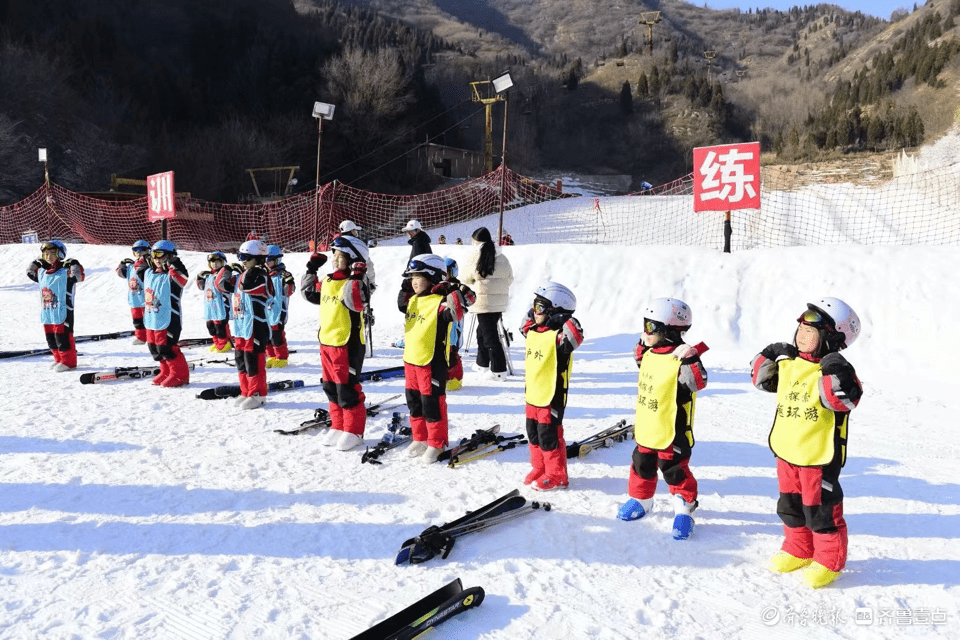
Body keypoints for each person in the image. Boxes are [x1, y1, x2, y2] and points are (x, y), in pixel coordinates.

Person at [751, 297, 863, 589]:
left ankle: (829, 560)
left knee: (821, 512)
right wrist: (769, 354)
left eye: (811, 330)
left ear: (831, 337)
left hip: (817, 458)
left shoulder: (837, 370)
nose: (802, 334)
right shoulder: (792, 366)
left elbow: (842, 399)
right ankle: (798, 549)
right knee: (789, 506)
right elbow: (761, 381)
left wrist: (833, 366)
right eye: (800, 327)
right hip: (788, 453)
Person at [617, 298, 708, 542]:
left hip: (673, 431)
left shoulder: (681, 359)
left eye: (650, 327)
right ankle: (641, 499)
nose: (645, 333)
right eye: (644, 325)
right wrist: (642, 341)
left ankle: (684, 507)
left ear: (668, 332)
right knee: (641, 464)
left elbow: (697, 382)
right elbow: (639, 358)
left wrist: (690, 358)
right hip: (648, 427)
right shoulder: (649, 353)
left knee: (674, 470)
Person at [398, 253, 474, 463]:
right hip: (412, 361)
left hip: (431, 363)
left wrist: (451, 289)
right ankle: (421, 437)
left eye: (418, 277)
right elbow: (400, 301)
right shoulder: (412, 300)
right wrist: (407, 284)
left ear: (431, 277)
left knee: (432, 404)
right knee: (414, 403)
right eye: (411, 277)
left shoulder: (440, 303)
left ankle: (436, 442)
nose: (413, 282)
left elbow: (462, 305)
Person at [301, 236, 370, 450]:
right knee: (330, 387)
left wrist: (357, 273)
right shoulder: (329, 281)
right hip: (327, 341)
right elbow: (308, 294)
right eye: (335, 255)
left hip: (347, 343)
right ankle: (339, 424)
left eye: (341, 256)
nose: (335, 260)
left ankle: (354, 430)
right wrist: (311, 269)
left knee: (347, 389)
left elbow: (355, 301)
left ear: (353, 260)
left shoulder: (356, 282)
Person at [519, 282, 584, 491]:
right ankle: (540, 467)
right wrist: (535, 311)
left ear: (554, 311)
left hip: (551, 395)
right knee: (533, 433)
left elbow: (575, 336)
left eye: (539, 307)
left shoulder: (558, 338)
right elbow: (524, 326)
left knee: (549, 435)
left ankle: (557, 475)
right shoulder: (535, 331)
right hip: (533, 394)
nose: (534, 312)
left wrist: (563, 318)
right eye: (534, 305)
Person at [216, 240, 273, 409]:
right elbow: (220, 286)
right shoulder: (243, 275)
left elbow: (246, 286)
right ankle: (246, 390)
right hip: (241, 326)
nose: (244, 261)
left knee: (253, 360)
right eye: (241, 257)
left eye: (247, 257)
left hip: (256, 326)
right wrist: (226, 269)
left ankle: (258, 394)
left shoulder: (261, 276)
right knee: (241, 359)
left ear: (259, 258)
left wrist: (247, 271)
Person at [461, 226, 514, 380]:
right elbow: (510, 278)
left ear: (476, 241)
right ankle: (482, 363)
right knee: (482, 332)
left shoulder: (476, 255)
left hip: (483, 301)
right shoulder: (502, 257)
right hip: (499, 302)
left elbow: (465, 277)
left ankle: (498, 370)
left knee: (490, 336)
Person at [137, 240, 191, 387]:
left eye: (160, 255)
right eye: (154, 255)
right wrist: (145, 258)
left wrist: (174, 262)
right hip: (152, 318)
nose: (157, 259)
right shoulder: (149, 273)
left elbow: (183, 277)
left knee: (167, 347)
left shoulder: (172, 276)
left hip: (169, 318)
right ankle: (165, 371)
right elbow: (138, 269)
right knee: (154, 347)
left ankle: (179, 375)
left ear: (170, 256)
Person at [26, 240, 85, 371]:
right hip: (48, 312)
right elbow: (30, 273)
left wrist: (74, 264)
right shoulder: (42, 273)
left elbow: (79, 276)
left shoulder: (65, 271)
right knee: (51, 338)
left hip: (63, 312)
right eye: (46, 254)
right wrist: (35, 263)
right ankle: (58, 358)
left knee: (63, 338)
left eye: (52, 253)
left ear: (60, 254)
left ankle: (68, 362)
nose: (49, 257)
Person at [195, 251, 233, 353]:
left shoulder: (225, 273)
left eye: (217, 261)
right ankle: (217, 342)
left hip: (221, 304)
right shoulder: (209, 275)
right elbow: (202, 287)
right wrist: (199, 278)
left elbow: (223, 285)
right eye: (212, 262)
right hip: (210, 305)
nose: (214, 264)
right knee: (210, 326)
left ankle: (224, 343)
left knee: (220, 325)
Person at [264, 245, 296, 368]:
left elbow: (289, 291)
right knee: (267, 335)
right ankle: (271, 355)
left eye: (269, 260)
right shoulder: (265, 275)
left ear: (277, 260)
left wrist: (289, 282)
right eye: (265, 260)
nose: (267, 263)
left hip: (278, 309)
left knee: (277, 335)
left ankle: (281, 357)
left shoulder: (282, 275)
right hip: (266, 310)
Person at [115, 239, 151, 345]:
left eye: (141, 250)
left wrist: (146, 262)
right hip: (134, 299)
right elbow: (121, 273)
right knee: (137, 320)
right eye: (136, 250)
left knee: (148, 320)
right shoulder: (131, 266)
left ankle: (150, 338)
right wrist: (122, 264)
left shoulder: (148, 265)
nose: (138, 252)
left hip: (146, 299)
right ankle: (140, 337)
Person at [443, 257, 465, 392]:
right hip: (441, 326)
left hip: (453, 327)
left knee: (452, 354)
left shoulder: (456, 287)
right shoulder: (436, 286)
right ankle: (442, 377)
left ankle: (454, 379)